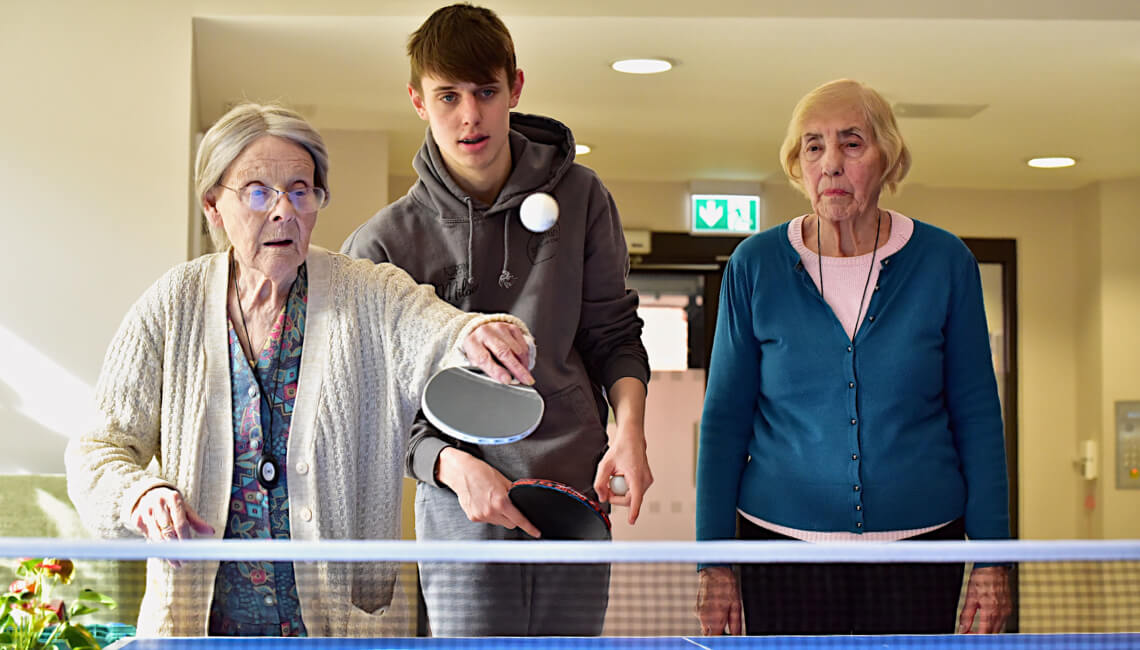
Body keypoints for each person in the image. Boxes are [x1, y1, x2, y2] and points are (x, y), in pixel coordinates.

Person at [65, 103, 535, 637]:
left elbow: (430, 328)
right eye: (258, 191)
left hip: (343, 630)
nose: (284, 210)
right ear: (214, 206)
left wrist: (472, 335)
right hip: (200, 628)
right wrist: (140, 496)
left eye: (300, 189)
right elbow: (97, 450)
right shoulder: (172, 304)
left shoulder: (369, 293)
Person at [342, 3, 652, 637]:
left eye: (486, 91)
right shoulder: (381, 246)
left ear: (516, 86)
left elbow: (614, 336)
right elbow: (374, 410)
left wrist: (631, 432)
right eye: (447, 95)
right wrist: (450, 467)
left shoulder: (584, 197)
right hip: (462, 497)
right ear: (417, 100)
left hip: (573, 484)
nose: (469, 115)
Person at [694, 79, 1012, 636]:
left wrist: (992, 556)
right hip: (780, 548)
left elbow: (979, 418)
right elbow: (723, 424)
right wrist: (714, 561)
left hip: (920, 551)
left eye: (852, 143)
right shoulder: (755, 265)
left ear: (887, 159)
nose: (831, 164)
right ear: (798, 164)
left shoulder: (944, 262)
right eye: (813, 146)